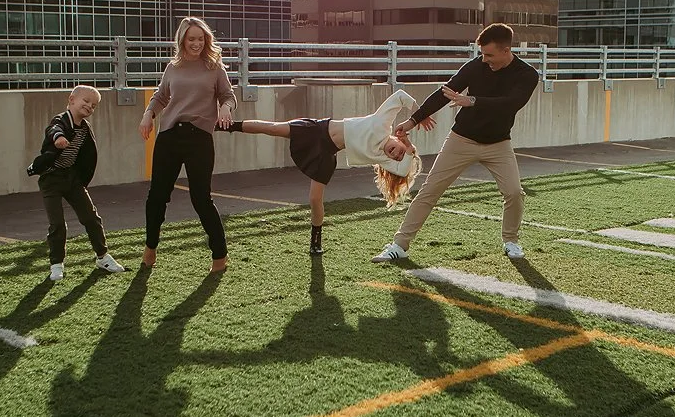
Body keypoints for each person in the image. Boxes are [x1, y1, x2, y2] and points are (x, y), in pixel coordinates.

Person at [371, 23, 540, 263]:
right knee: (429, 190)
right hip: (461, 139)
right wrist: (412, 121)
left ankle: (510, 241)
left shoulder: (527, 75)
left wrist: (473, 100)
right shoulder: (476, 66)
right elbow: (445, 93)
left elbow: (512, 102)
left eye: (490, 54)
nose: (485, 59)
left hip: (498, 143)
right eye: (482, 53)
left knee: (514, 192)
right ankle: (399, 245)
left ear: (506, 50)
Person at [222, 89, 422, 255]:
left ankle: (315, 242)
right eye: (398, 151)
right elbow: (400, 96)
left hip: (327, 153)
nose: (394, 154)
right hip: (317, 129)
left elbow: (403, 169)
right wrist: (420, 114)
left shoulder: (381, 157)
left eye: (396, 157)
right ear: (397, 139)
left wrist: (410, 149)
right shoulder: (382, 123)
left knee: (315, 199)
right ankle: (227, 126)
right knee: (274, 128)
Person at [139, 16, 236, 272]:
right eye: (191, 38)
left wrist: (226, 108)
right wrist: (148, 114)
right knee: (157, 197)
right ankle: (150, 248)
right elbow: (161, 97)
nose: (196, 43)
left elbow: (228, 95)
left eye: (200, 39)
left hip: (199, 138)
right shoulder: (173, 67)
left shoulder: (215, 67)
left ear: (207, 40)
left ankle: (220, 255)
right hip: (169, 135)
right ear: (182, 39)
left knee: (201, 198)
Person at [33, 85, 127, 281]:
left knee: (91, 217)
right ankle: (56, 264)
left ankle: (102, 256)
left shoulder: (85, 128)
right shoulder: (61, 120)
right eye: (86, 101)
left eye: (93, 106)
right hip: (51, 178)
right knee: (57, 223)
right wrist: (58, 138)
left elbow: (87, 154)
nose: (89, 107)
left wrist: (81, 178)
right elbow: (53, 128)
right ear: (71, 99)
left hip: (71, 177)